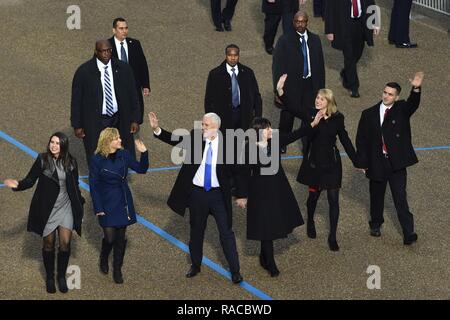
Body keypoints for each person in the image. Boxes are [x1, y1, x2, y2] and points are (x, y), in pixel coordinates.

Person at [148, 112, 247, 284]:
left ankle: (235, 270)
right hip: (197, 194)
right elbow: (175, 139)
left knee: (226, 233)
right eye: (202, 124)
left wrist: (242, 195)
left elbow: (240, 172)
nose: (202, 128)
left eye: (206, 125)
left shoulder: (230, 144)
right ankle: (195, 264)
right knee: (196, 231)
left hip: (218, 196)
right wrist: (157, 129)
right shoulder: (195, 137)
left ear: (216, 127)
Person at [239, 112, 323, 276]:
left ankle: (264, 257)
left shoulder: (275, 141)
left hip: (277, 189)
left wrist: (313, 123)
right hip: (260, 193)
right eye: (267, 128)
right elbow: (242, 175)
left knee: (270, 225)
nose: (271, 130)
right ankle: (270, 262)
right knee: (266, 227)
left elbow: (295, 135)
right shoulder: (249, 149)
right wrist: (242, 195)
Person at [3, 132, 85, 294]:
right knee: (48, 243)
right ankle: (49, 277)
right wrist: (17, 184)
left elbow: (74, 185)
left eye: (57, 143)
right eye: (51, 142)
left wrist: (79, 206)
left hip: (66, 207)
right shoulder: (42, 160)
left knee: (65, 243)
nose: (53, 146)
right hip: (47, 208)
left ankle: (61, 277)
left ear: (63, 146)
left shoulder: (71, 162)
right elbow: (30, 180)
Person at [356, 72, 424, 245]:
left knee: (400, 198)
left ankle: (408, 232)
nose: (386, 96)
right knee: (376, 196)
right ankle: (376, 224)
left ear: (397, 97)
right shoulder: (368, 114)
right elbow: (361, 140)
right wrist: (362, 162)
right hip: (377, 162)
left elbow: (413, 104)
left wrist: (416, 88)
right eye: (385, 92)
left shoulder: (402, 109)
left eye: (390, 94)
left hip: (396, 164)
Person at [291, 86, 359, 251]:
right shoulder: (310, 114)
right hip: (315, 164)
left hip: (332, 165)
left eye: (321, 99)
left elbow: (345, 140)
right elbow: (293, 108)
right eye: (317, 98)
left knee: (334, 200)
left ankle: (333, 236)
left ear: (328, 102)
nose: (317, 100)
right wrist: (281, 91)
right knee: (313, 198)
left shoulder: (337, 118)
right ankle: (311, 220)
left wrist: (357, 161)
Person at [89, 128, 149, 284]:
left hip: (122, 200)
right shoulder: (96, 160)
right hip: (106, 201)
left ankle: (117, 269)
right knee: (110, 238)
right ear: (108, 141)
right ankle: (104, 256)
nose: (121, 140)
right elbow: (94, 185)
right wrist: (98, 208)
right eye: (117, 138)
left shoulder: (125, 155)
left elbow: (141, 169)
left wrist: (144, 153)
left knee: (121, 238)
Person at [71, 39, 140, 165]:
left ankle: (118, 179)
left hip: (119, 118)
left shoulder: (124, 69)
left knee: (120, 152)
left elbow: (133, 95)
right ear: (96, 52)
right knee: (96, 154)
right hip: (96, 120)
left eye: (109, 50)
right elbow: (76, 100)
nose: (106, 54)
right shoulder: (84, 72)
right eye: (103, 51)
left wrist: (135, 119)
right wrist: (77, 125)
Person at [272, 11, 325, 153]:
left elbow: (320, 65)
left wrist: (321, 89)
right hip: (291, 86)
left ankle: (306, 141)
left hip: (310, 85)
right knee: (287, 116)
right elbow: (277, 66)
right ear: (293, 22)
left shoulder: (315, 40)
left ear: (307, 22)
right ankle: (282, 142)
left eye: (303, 21)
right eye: (297, 21)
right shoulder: (284, 40)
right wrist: (278, 89)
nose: (300, 24)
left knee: (308, 115)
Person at [324, 0, 379, 98]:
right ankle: (353, 87)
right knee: (349, 56)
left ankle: (346, 73)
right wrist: (329, 30)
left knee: (357, 54)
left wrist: (375, 23)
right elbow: (329, 9)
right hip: (344, 25)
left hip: (361, 24)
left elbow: (371, 3)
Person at [205, 44, 262, 131]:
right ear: (226, 56)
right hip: (224, 116)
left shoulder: (248, 73)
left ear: (238, 56)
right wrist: (210, 120)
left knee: (243, 141)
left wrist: (258, 117)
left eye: (235, 55)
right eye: (230, 55)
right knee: (226, 142)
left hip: (244, 114)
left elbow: (256, 96)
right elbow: (209, 99)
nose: (233, 58)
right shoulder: (215, 74)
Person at [109, 17, 151, 123]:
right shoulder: (106, 45)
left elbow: (142, 65)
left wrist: (145, 85)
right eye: (121, 28)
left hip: (133, 87)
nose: (124, 31)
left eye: (126, 28)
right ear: (114, 30)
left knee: (134, 118)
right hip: (115, 88)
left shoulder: (135, 44)